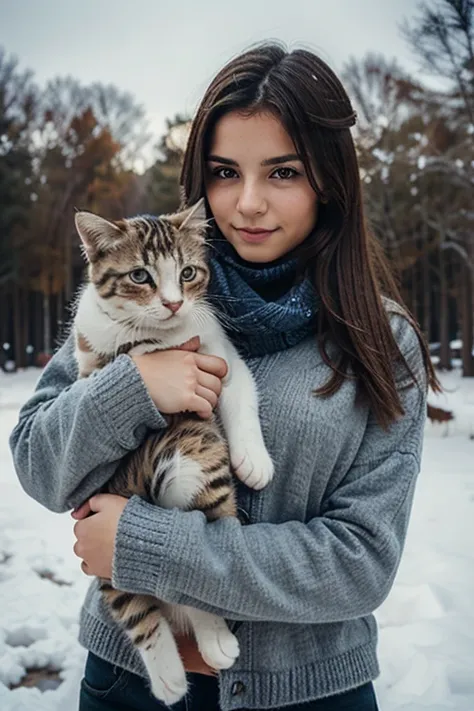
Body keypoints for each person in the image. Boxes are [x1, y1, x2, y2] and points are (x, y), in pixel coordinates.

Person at [10, 42, 440, 711]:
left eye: (283, 172)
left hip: (307, 694)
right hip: (127, 681)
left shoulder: (382, 340)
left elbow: (358, 563)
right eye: (223, 171)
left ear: (328, 177)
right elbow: (38, 463)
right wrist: (133, 388)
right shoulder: (133, 298)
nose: (247, 203)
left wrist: (146, 546)